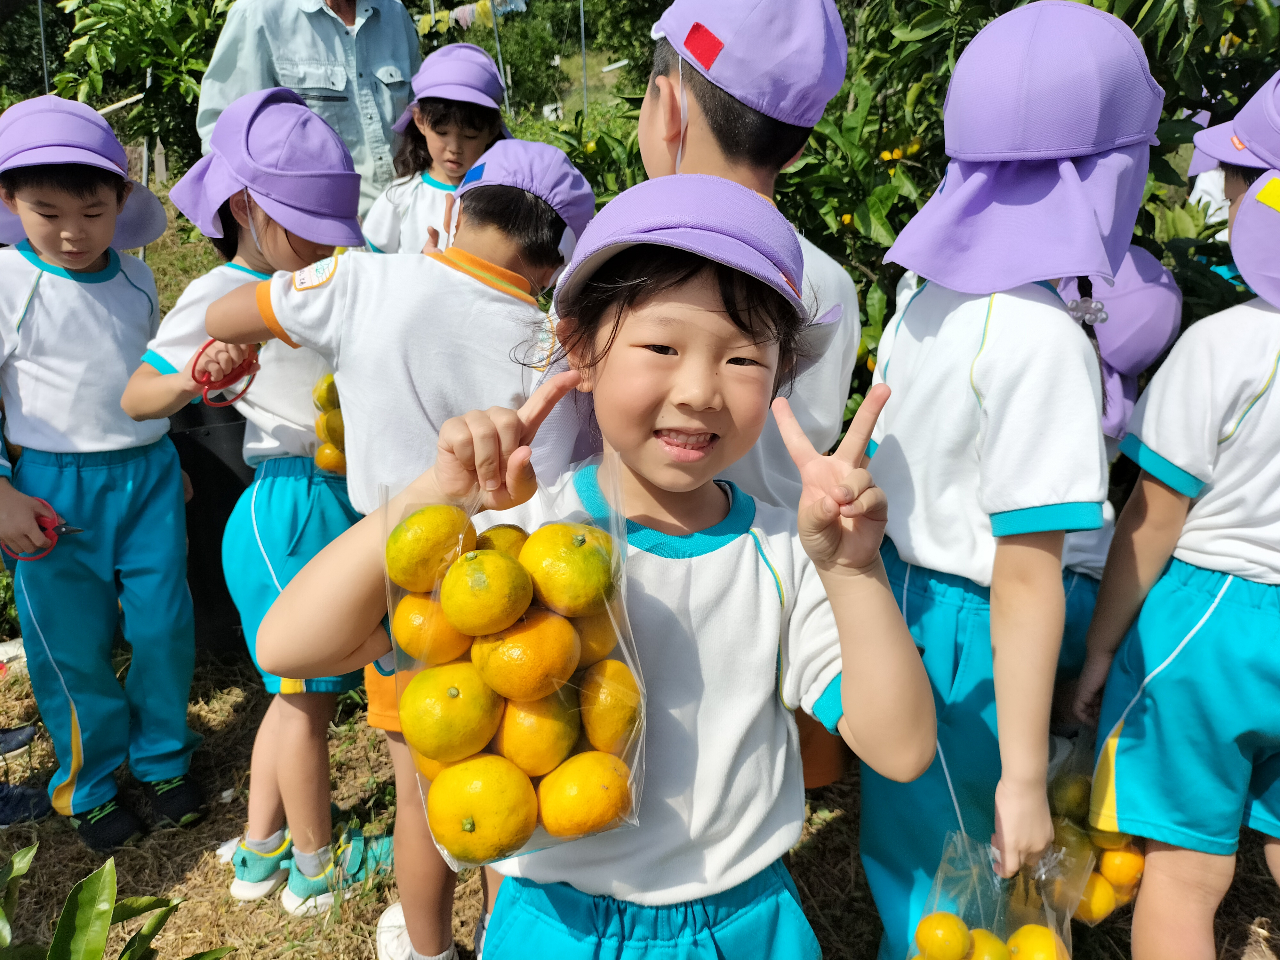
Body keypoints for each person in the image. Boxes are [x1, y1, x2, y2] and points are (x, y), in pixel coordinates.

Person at [249, 172, 937, 960]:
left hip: (742, 925)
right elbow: (290, 646)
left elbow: (902, 747)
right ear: (579, 346)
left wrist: (854, 573)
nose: (700, 390)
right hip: (554, 927)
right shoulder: (517, 543)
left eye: (745, 360)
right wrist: (437, 495)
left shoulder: (785, 554)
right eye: (661, 346)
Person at [205, 137, 595, 960]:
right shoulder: (549, 345)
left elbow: (225, 315)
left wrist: (250, 339)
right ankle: (501, 940)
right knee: (504, 789)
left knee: (420, 795)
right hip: (509, 604)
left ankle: (427, 950)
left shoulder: (362, 279)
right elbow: (552, 485)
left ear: (454, 209)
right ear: (557, 259)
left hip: (397, 588)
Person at [857, 4, 1164, 956]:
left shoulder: (924, 294)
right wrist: (1024, 775)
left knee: (917, 864)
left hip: (905, 604)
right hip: (979, 640)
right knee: (980, 894)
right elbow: (1028, 568)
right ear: (1108, 176)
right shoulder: (1041, 342)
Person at [531, 0, 861, 793]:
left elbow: (551, 452)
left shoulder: (625, 260)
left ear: (667, 106)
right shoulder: (828, 284)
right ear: (803, 140)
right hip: (768, 590)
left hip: (613, 590)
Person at [120, 87, 393, 916]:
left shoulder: (329, 278)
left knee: (294, 697)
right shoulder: (220, 293)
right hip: (288, 505)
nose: (323, 242)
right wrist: (198, 375)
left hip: (334, 499)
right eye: (305, 221)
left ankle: (261, 847)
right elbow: (137, 395)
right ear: (246, 208)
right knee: (306, 704)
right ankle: (316, 864)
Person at [1074, 76, 1280, 960]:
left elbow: (1153, 519)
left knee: (1185, 873)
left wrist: (1101, 651)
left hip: (1213, 625)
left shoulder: (1228, 347)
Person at [0, 97, 202, 853]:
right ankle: (86, 781)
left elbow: (143, 378)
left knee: (162, 626)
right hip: (53, 493)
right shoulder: (8, 281)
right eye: (46, 211)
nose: (72, 231)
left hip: (148, 479)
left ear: (122, 198)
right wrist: (3, 495)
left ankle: (162, 759)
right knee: (71, 644)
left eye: (92, 209)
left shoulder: (138, 282)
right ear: (10, 202)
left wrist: (172, 454)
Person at [1054, 246, 1181, 701]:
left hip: (1036, 568)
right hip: (1091, 581)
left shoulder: (1051, 365)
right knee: (1064, 714)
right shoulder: (1119, 392)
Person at [196, 0, 421, 216]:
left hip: (403, 221)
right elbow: (225, 137)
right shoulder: (256, 14)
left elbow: (419, 119)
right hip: (314, 234)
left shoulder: (394, 12)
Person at [363, 43, 507, 255]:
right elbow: (370, 264)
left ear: (492, 130)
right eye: (442, 132)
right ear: (420, 121)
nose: (455, 148)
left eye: (470, 136)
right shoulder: (400, 197)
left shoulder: (501, 198)